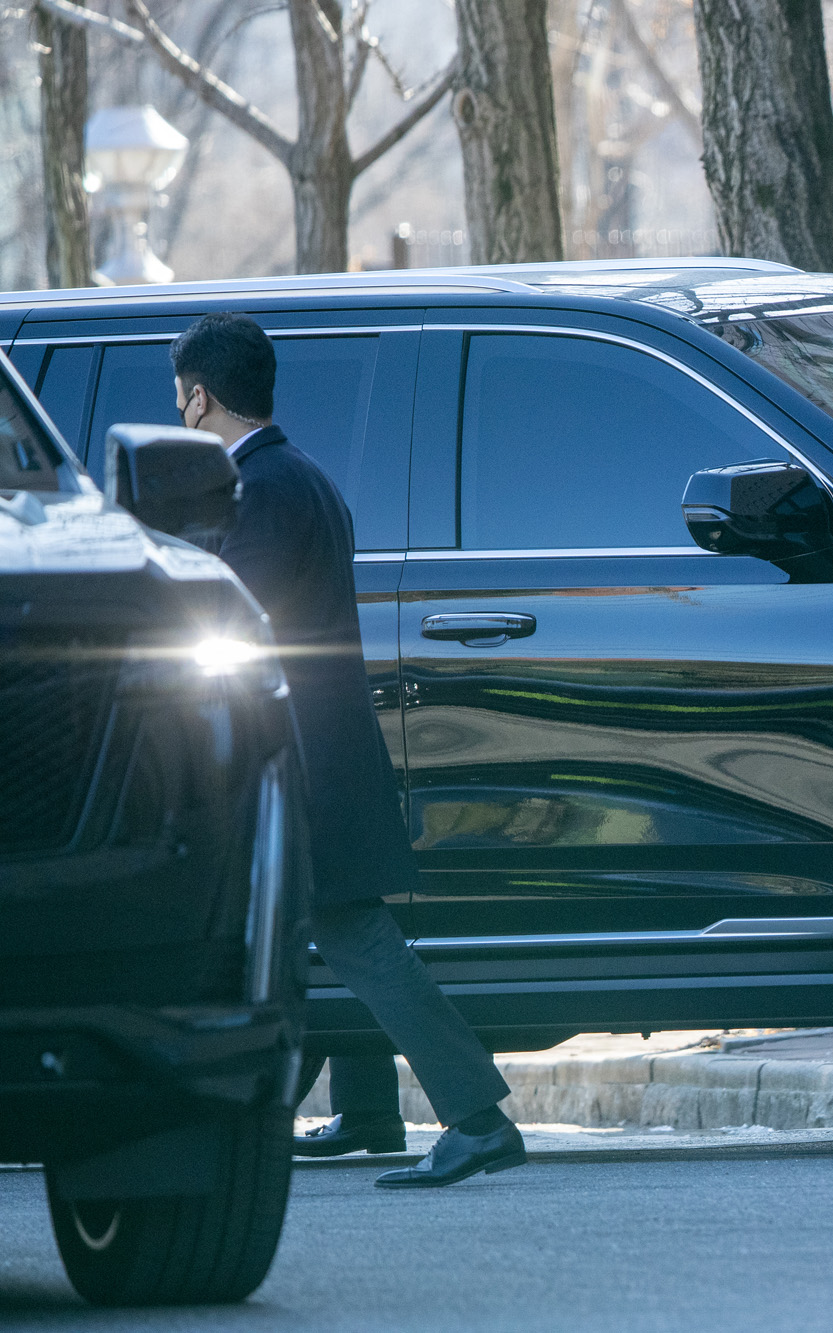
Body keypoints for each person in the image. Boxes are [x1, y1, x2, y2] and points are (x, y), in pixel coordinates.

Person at [169, 313, 525, 1189]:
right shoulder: (305, 475)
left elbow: (229, 613)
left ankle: (477, 1116)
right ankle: (367, 1107)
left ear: (198, 395)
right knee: (323, 930)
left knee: (354, 935)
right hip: (325, 749)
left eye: (177, 396)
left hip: (300, 759)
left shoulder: (259, 489)